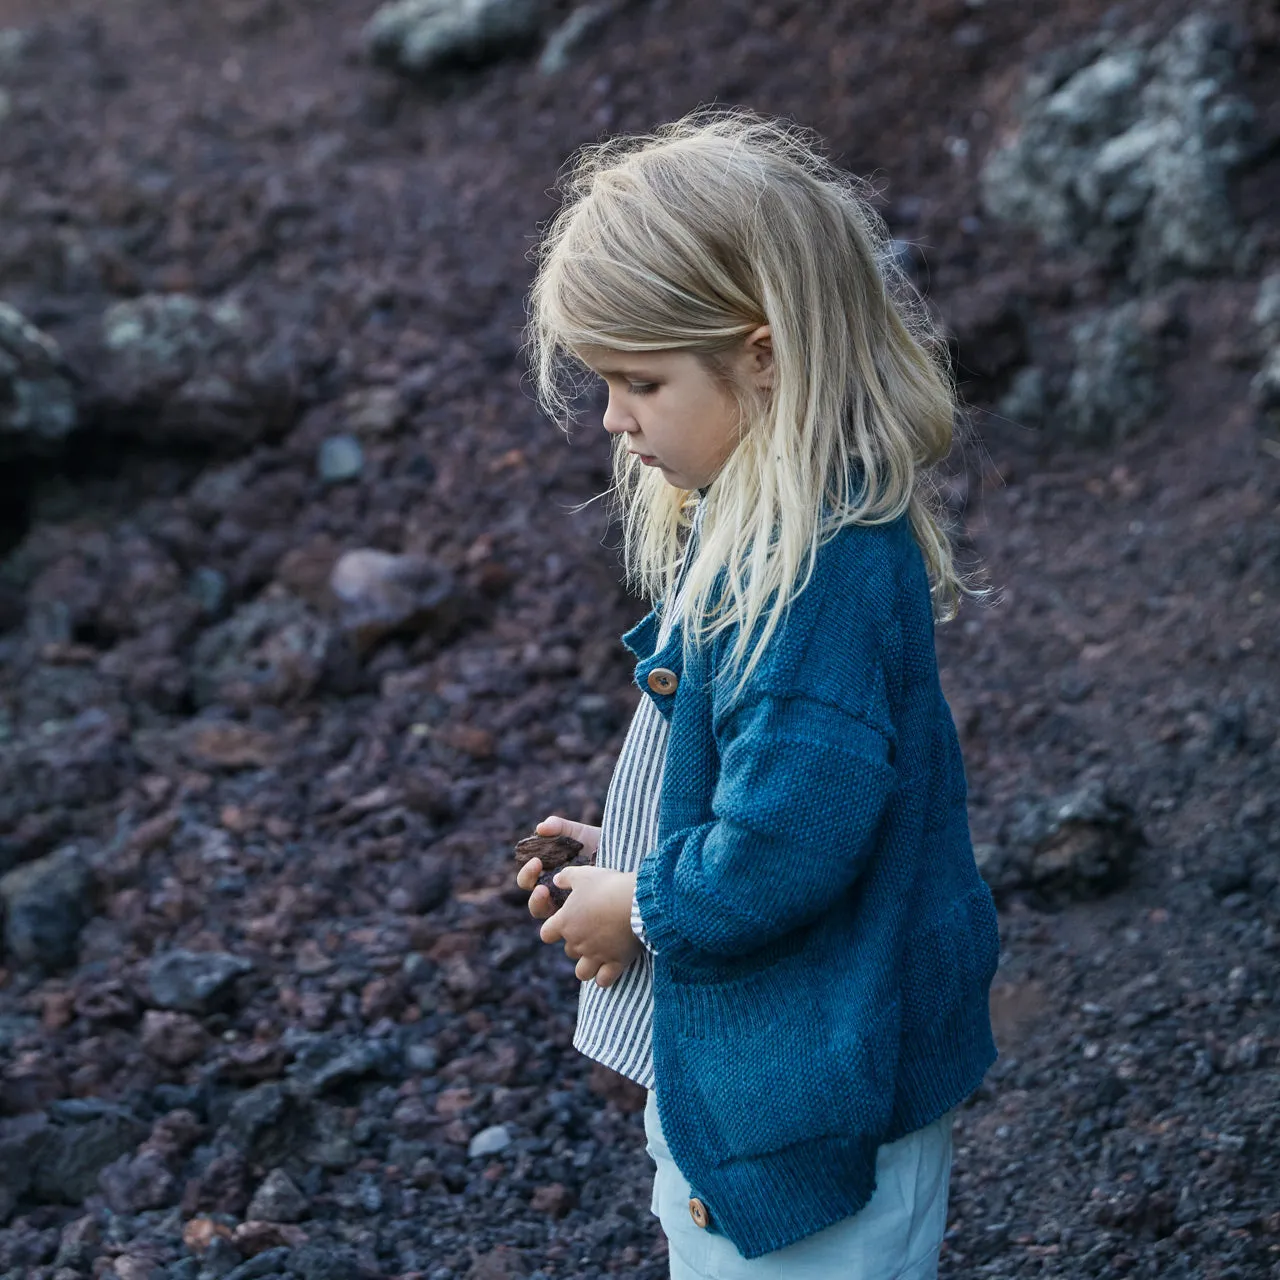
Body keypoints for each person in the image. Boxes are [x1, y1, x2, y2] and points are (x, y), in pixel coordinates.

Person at [513, 109, 1000, 1278]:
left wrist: (640, 902)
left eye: (640, 381)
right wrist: (631, 840)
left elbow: (785, 840)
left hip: (813, 1094)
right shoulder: (770, 523)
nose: (616, 420)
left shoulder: (812, 578)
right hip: (789, 1059)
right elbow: (769, 772)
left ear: (762, 353)